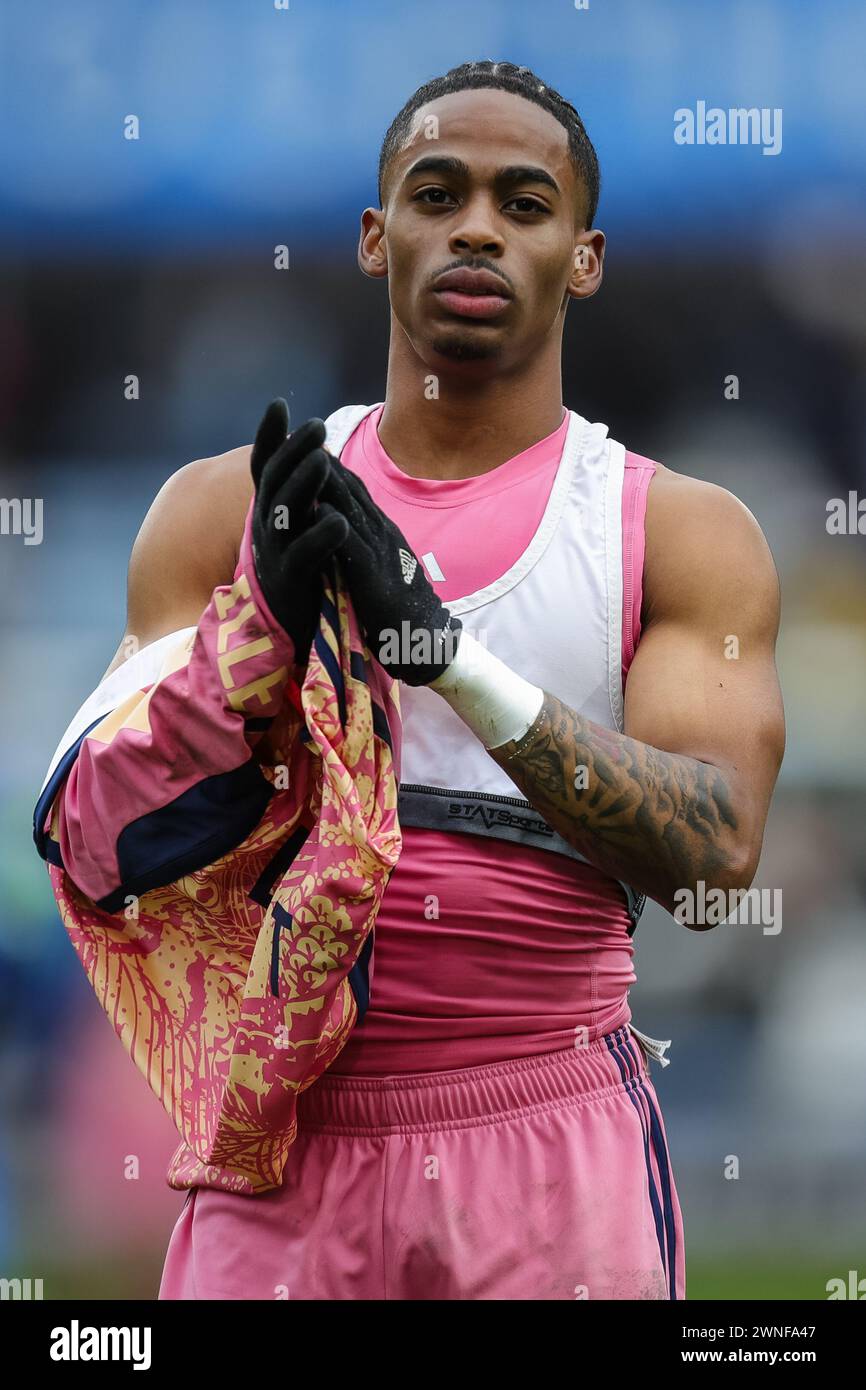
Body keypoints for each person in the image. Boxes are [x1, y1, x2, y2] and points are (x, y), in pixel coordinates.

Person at [36, 61, 785, 1301]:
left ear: (583, 257)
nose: (478, 226)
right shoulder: (221, 510)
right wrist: (250, 649)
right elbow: (92, 850)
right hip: (284, 1143)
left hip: (546, 1135)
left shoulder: (677, 531)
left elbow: (710, 864)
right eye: (437, 194)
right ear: (378, 240)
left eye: (524, 202)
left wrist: (449, 660)